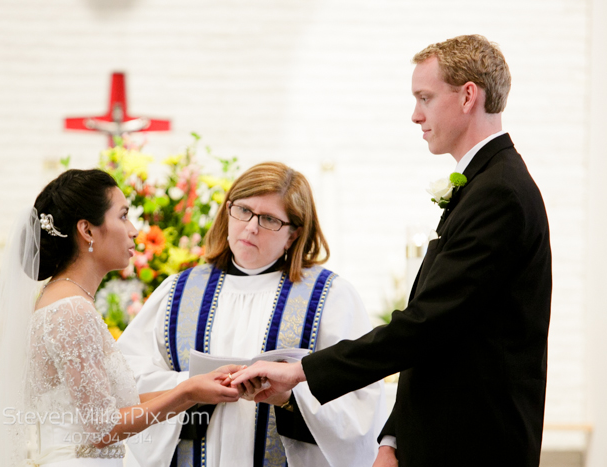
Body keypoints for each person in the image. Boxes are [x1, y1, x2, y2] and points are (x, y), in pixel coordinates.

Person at [231, 35, 552, 467]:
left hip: (474, 444)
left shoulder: (500, 194)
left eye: (425, 97)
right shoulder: (484, 184)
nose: (416, 114)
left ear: (468, 96)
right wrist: (394, 438)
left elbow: (426, 325)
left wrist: (302, 371)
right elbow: (441, 331)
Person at [117, 162, 386, 467]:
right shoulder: (179, 290)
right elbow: (125, 381)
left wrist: (288, 398)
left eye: (269, 219)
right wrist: (190, 387)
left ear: (293, 234)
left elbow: (358, 404)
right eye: (243, 210)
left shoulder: (330, 296)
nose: (251, 226)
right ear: (227, 211)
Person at [0, 169, 242, 467]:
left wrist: (197, 389)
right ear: (87, 230)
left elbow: (115, 407)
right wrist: (187, 390)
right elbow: (103, 428)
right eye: (123, 215)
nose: (134, 229)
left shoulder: (64, 299)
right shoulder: (70, 310)